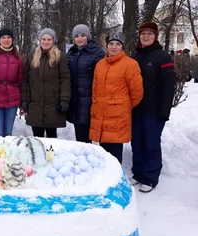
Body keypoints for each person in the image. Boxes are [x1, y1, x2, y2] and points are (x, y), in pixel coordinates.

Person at [130, 22, 176, 193]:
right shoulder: (134, 57)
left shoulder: (162, 57)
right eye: (143, 33)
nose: (146, 36)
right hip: (136, 109)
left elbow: (169, 86)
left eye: (150, 33)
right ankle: (138, 173)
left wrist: (164, 110)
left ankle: (150, 177)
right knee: (137, 142)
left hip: (154, 111)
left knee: (151, 143)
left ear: (155, 36)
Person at [89, 32, 143, 163]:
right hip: (101, 114)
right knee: (103, 152)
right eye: (111, 44)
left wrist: (123, 105)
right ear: (106, 46)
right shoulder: (100, 64)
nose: (114, 47)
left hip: (117, 116)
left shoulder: (130, 64)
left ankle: (116, 178)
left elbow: (137, 92)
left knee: (115, 152)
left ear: (122, 46)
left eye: (118, 44)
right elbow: (95, 89)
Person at [21, 28, 71, 138]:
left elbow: (65, 78)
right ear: (40, 40)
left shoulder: (60, 57)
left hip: (53, 104)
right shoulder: (32, 56)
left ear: (53, 40)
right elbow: (25, 80)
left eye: (49, 39)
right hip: (35, 104)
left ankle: (51, 155)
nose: (46, 41)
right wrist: (24, 99)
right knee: (37, 138)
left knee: (52, 139)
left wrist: (64, 99)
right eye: (43, 39)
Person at [67, 24, 105, 143]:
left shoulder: (97, 53)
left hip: (90, 99)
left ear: (87, 36)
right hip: (76, 99)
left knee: (88, 136)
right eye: (77, 36)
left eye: (82, 35)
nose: (79, 38)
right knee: (80, 133)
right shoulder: (71, 53)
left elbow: (101, 77)